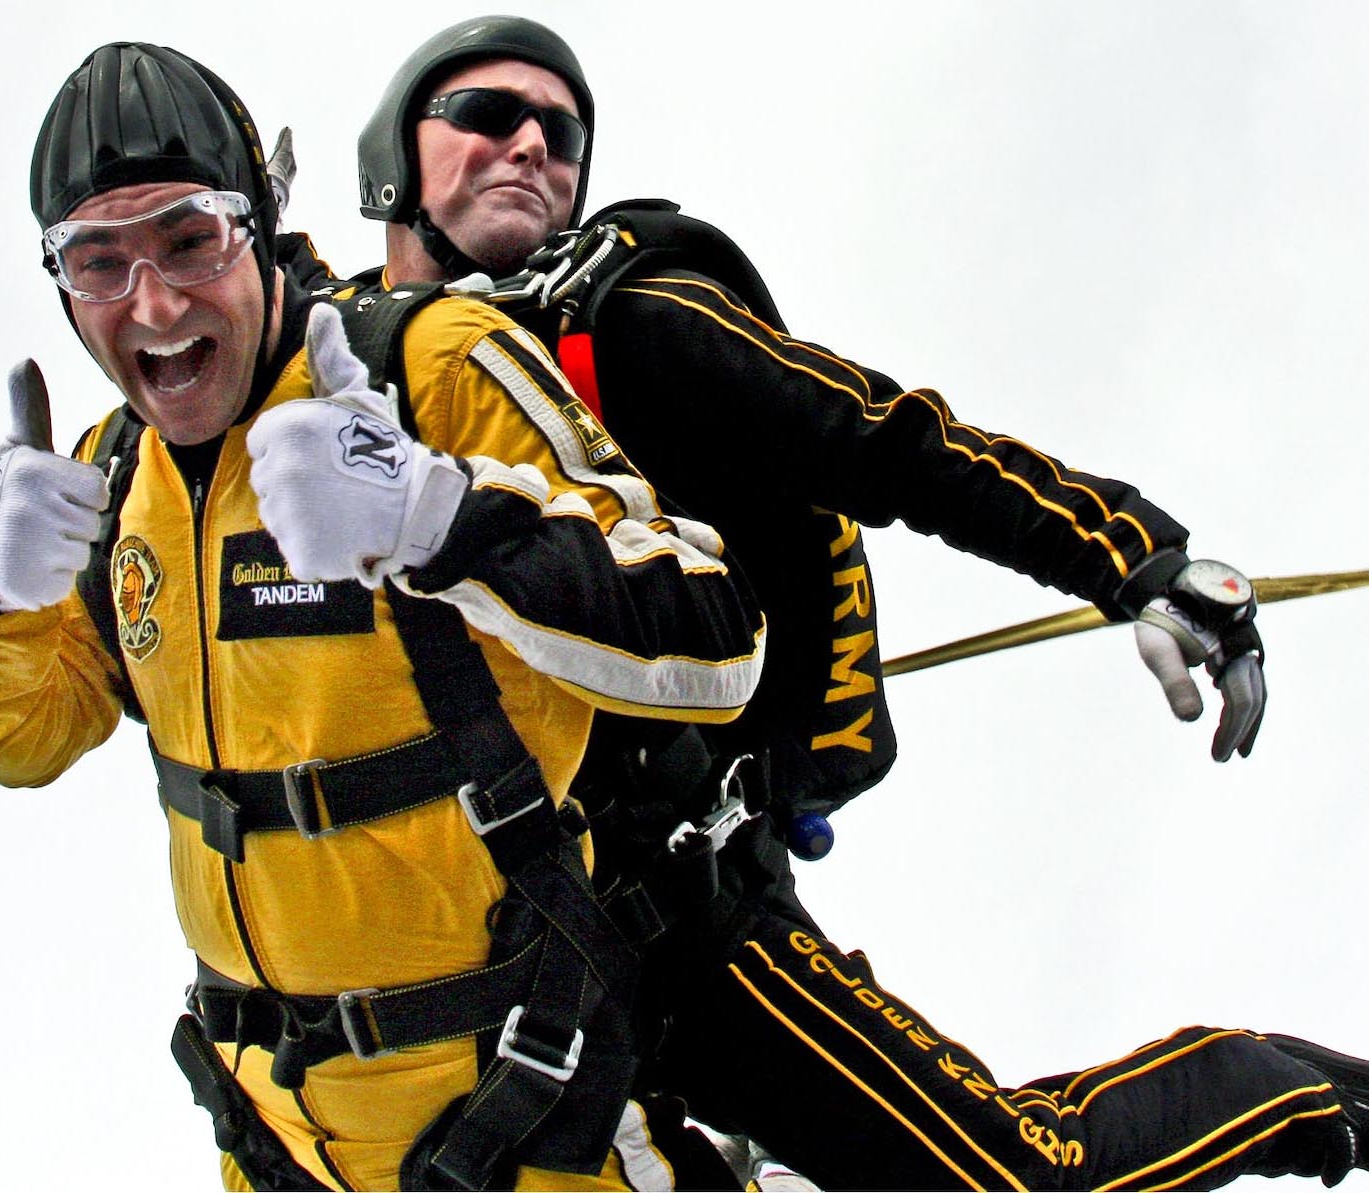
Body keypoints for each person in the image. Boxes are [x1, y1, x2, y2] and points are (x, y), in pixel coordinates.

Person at [274, 14, 1369, 1190]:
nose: (534, 145)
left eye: (562, 131)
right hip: (469, 945)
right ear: (396, 156)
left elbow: (889, 442)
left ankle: (1305, 1090)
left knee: (1015, 1178)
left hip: (679, 915)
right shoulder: (316, 360)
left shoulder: (628, 326)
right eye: (491, 115)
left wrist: (1140, 559)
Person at [0, 41, 769, 1192]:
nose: (156, 301)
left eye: (190, 236)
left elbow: (719, 638)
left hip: (527, 1125)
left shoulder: (434, 371)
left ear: (261, 223)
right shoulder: (108, 479)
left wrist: (440, 519)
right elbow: (21, 739)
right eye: (97, 262)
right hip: (275, 1144)